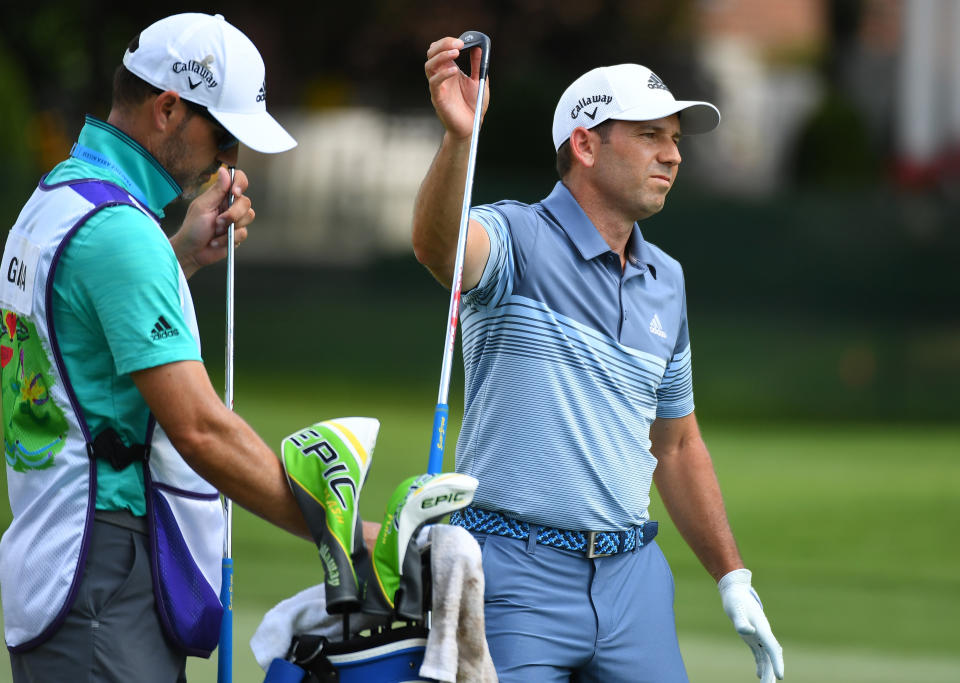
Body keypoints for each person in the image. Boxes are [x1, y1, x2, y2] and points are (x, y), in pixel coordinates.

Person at [413, 37, 785, 683]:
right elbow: (441, 250)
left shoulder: (666, 277)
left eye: (674, 138)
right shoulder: (518, 237)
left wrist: (733, 575)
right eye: (648, 134)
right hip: (512, 571)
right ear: (585, 145)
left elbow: (675, 443)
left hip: (631, 581)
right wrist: (458, 141)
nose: (672, 153)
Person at [0, 13, 319, 682]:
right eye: (225, 136)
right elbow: (201, 429)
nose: (229, 161)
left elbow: (82, 334)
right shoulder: (119, 233)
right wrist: (336, 533)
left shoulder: (60, 195)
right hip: (101, 566)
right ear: (170, 108)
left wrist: (176, 256)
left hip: (59, 547)